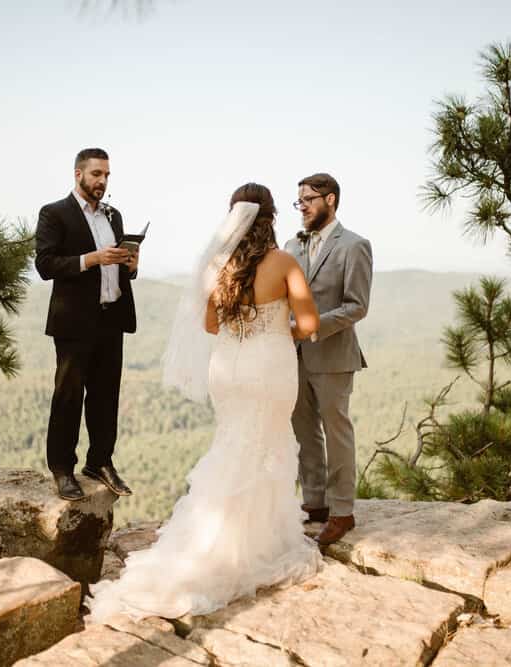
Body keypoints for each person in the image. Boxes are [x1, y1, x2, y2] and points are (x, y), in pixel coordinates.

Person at [87, 183, 323, 623]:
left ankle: (211, 536)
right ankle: (257, 544)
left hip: (227, 369)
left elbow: (212, 324)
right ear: (271, 218)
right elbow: (308, 323)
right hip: (269, 367)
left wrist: (244, 327)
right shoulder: (286, 262)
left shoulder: (218, 266)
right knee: (267, 445)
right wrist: (276, 331)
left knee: (233, 444)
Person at [34, 148, 139, 501]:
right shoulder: (54, 213)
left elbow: (121, 270)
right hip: (74, 321)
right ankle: (62, 469)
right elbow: (46, 265)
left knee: (106, 396)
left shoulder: (114, 215)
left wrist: (131, 264)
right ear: (78, 174)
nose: (103, 181)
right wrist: (92, 259)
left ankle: (100, 462)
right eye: (96, 174)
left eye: (107, 175)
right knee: (68, 396)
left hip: (111, 317)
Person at [285, 173, 373, 546]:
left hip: (334, 354)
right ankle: (315, 503)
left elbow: (357, 306)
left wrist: (312, 326)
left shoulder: (354, 245)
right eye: (299, 200)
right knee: (304, 432)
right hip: (293, 356)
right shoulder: (291, 245)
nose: (302, 206)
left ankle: (342, 512)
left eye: (308, 199)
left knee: (337, 434)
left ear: (331, 200)